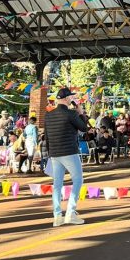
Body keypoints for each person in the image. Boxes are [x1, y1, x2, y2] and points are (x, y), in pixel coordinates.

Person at [45, 88, 90, 227]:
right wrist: (81, 113)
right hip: (69, 151)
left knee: (57, 185)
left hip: (54, 153)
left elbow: (46, 137)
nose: (72, 99)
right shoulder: (71, 114)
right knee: (78, 180)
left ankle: (57, 216)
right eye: (70, 97)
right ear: (65, 99)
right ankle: (71, 212)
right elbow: (83, 128)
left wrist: (50, 152)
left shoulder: (49, 115)